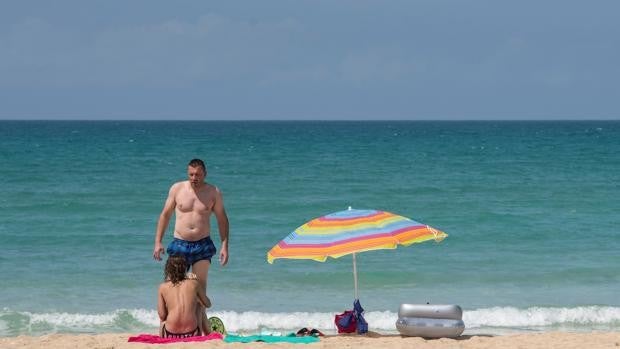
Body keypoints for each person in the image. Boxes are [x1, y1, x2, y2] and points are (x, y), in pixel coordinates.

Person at [153, 158, 229, 334]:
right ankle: (164, 332)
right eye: (191, 174)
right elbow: (165, 215)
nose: (194, 177)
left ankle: (202, 332)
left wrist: (225, 245)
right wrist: (158, 242)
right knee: (171, 287)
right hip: (179, 244)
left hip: (202, 245)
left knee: (200, 292)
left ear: (205, 174)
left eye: (198, 174)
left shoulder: (213, 192)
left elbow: (222, 219)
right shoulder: (177, 189)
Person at [158, 255, 211, 338]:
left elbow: (162, 315)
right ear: (185, 269)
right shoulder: (194, 283)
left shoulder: (163, 287)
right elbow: (208, 304)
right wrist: (196, 298)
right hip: (193, 333)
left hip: (170, 334)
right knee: (199, 305)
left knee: (164, 315)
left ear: (168, 270)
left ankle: (162, 338)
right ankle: (208, 333)